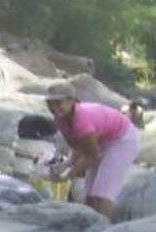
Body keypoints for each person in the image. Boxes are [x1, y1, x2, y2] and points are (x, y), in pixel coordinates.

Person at [44, 81, 140, 217]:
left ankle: (101, 229)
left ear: (71, 101)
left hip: (123, 139)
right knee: (89, 192)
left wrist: (67, 175)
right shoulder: (60, 119)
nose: (54, 107)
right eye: (50, 103)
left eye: (58, 103)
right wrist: (65, 165)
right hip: (103, 139)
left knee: (102, 191)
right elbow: (78, 146)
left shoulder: (81, 120)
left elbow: (92, 156)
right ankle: (87, 226)